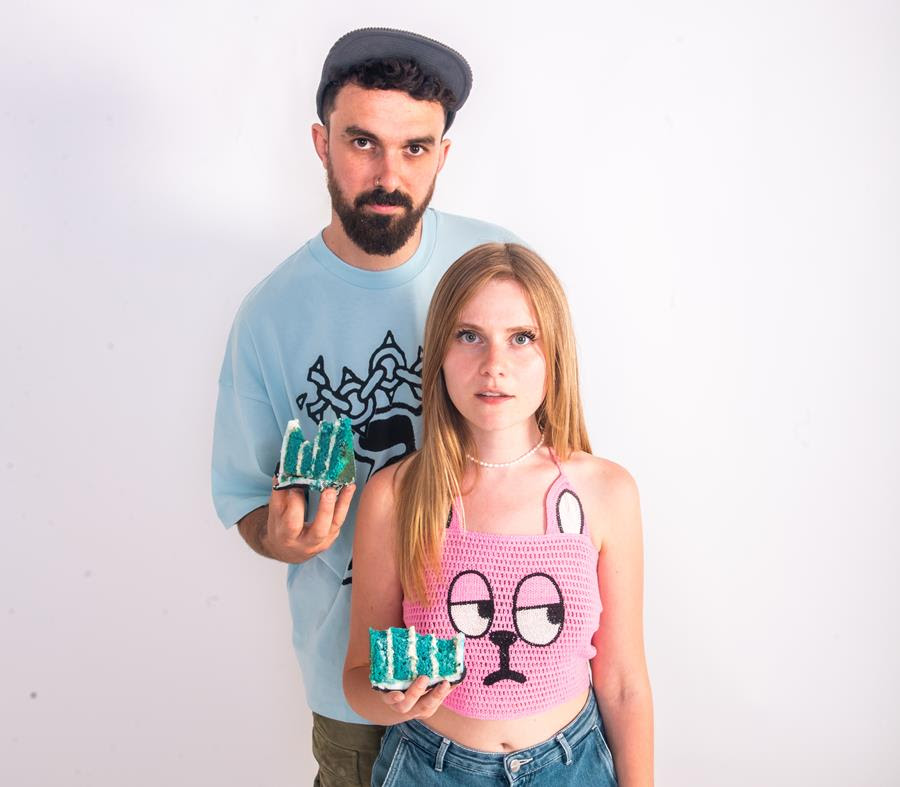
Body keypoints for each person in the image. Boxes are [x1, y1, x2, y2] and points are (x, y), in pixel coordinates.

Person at [211, 29, 520, 787]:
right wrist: (282, 537)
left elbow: (561, 455)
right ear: (322, 144)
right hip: (358, 697)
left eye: (415, 148)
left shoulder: (496, 270)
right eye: (362, 142)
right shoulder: (270, 316)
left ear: (443, 154)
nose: (389, 175)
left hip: (505, 674)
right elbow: (247, 499)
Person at [345, 243, 654, 786]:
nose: (494, 366)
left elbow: (625, 684)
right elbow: (356, 679)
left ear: (555, 352)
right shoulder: (396, 495)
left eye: (522, 337)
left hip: (572, 766)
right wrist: (391, 700)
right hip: (428, 768)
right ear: (439, 352)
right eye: (469, 336)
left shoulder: (606, 492)